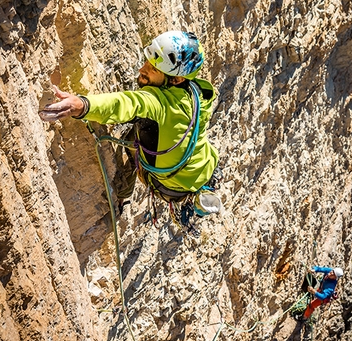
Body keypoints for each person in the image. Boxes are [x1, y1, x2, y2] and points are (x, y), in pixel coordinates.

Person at [39, 31, 220, 210]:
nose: (142, 69)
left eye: (153, 69)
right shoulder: (195, 91)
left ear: (177, 79)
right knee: (152, 128)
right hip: (205, 164)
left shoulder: (160, 105)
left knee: (136, 133)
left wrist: (82, 105)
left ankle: (124, 192)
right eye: (147, 62)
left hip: (173, 186)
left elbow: (127, 104)